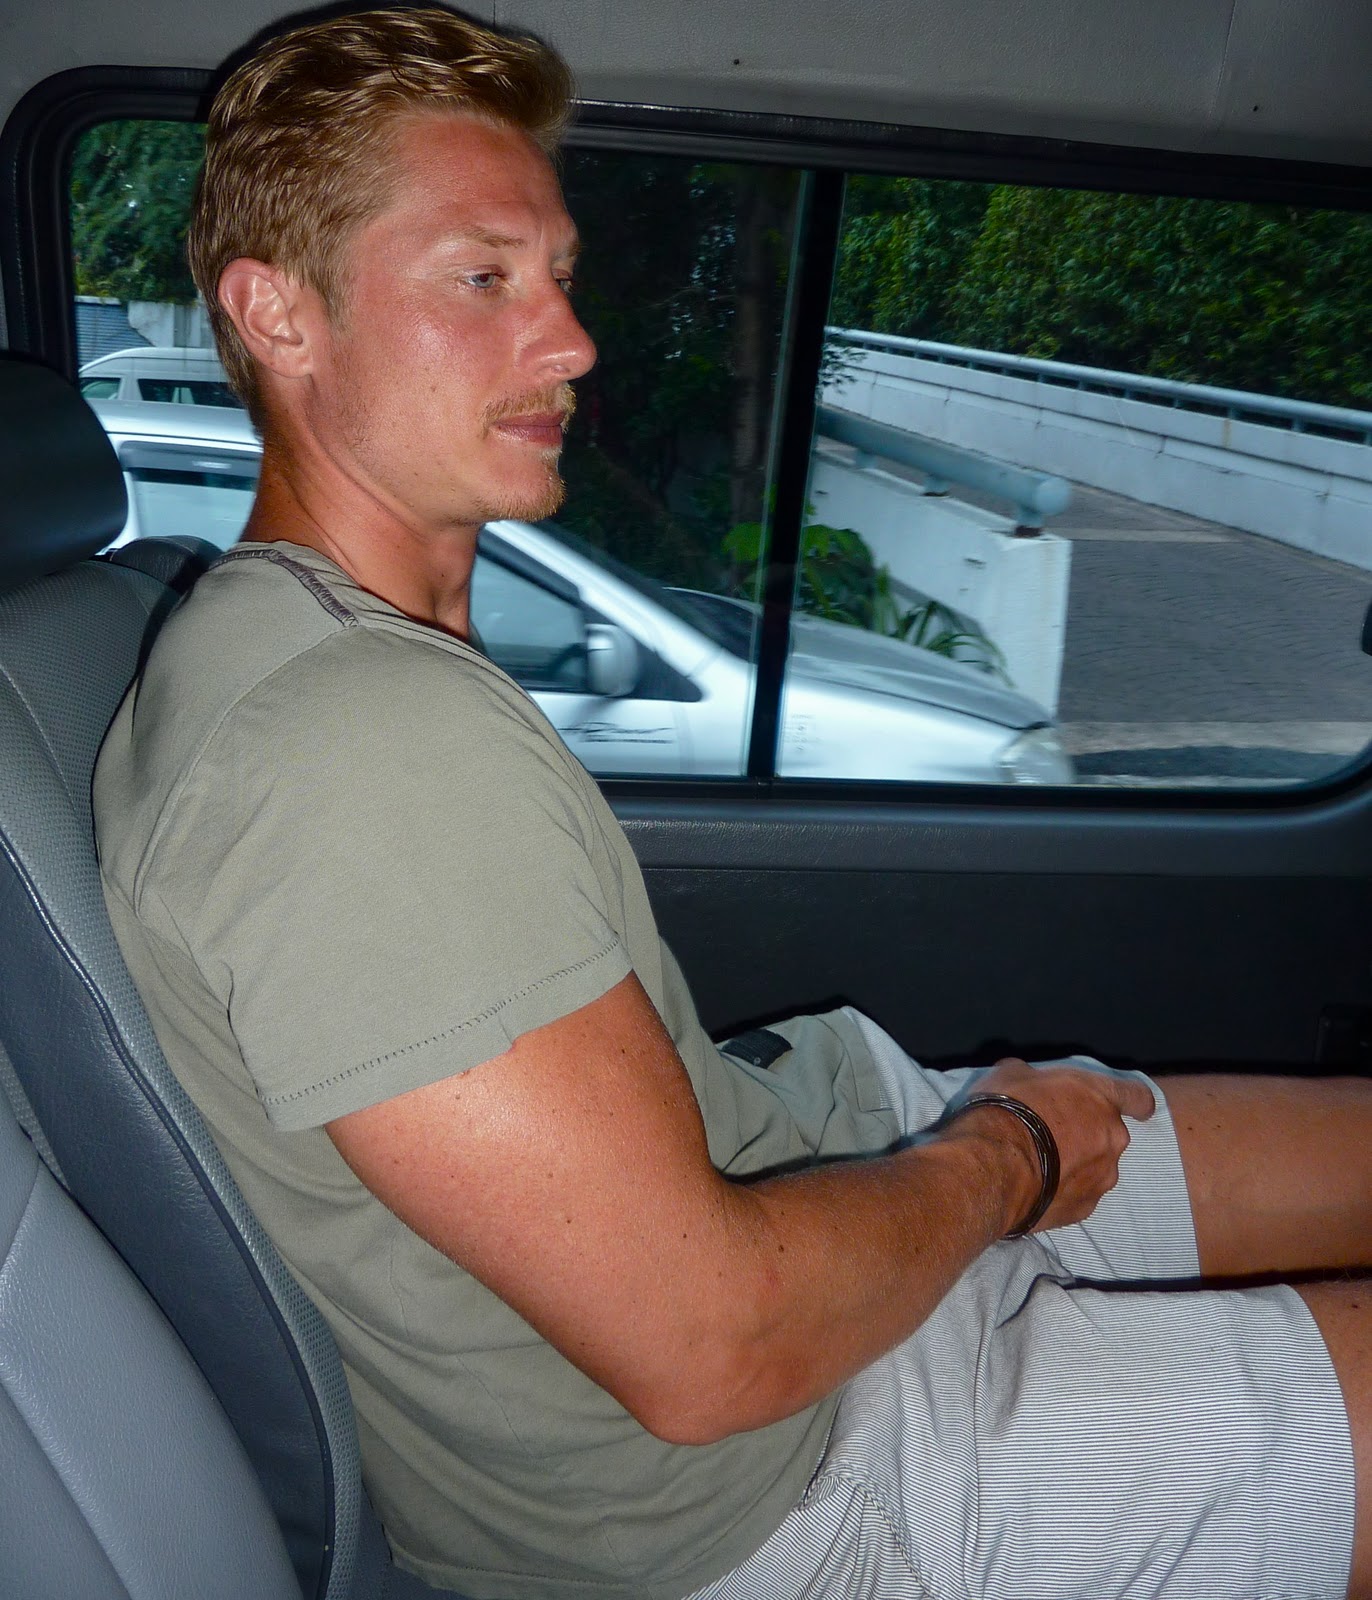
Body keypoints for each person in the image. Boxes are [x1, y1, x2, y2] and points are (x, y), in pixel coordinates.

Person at [93, 8, 1370, 1598]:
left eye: (560, 276)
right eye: (484, 279)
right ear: (277, 315)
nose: (572, 340)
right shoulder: (346, 746)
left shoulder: (331, 653)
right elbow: (710, 1348)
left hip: (829, 1164)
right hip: (794, 1476)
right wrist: (1007, 1163)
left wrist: (982, 1152)